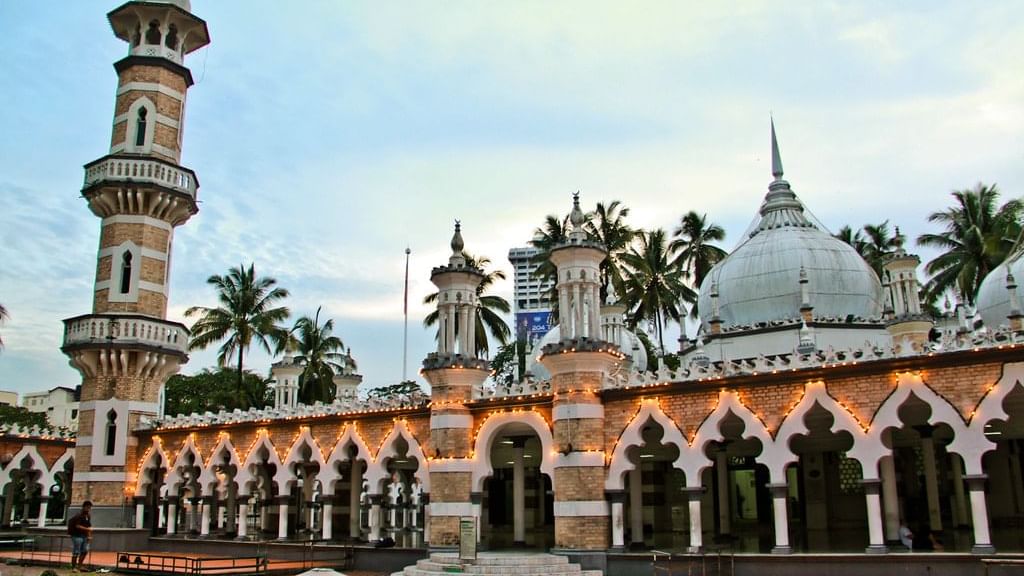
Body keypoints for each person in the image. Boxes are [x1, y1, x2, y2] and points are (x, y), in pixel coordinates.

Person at [68, 501, 93, 572]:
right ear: (84, 507)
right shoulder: (79, 515)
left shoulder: (88, 516)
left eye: (89, 508)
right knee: (76, 551)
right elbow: (77, 526)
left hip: (84, 535)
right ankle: (74, 567)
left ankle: (80, 566)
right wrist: (87, 529)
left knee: (85, 550)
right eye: (87, 507)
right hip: (77, 535)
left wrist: (89, 536)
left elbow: (89, 526)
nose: (88, 509)